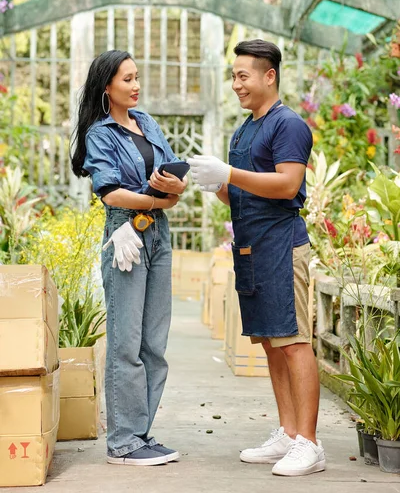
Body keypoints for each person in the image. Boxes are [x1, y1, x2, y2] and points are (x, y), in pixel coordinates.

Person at [188, 39, 325, 477]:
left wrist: (228, 173)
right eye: (233, 76)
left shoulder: (289, 125)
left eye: (243, 75)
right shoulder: (244, 129)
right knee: (270, 341)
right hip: (250, 247)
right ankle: (287, 433)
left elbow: (286, 185)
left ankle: (310, 442)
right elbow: (240, 195)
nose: (236, 85)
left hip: (282, 245)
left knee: (294, 340)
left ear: (269, 76)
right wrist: (212, 183)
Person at [71, 50, 187, 466]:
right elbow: (110, 193)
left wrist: (172, 188)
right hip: (126, 232)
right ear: (107, 87)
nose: (136, 86)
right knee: (126, 342)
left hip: (158, 235)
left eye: (137, 78)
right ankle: (122, 441)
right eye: (127, 80)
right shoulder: (99, 134)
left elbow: (175, 184)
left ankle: (141, 433)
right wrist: (158, 199)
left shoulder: (148, 123)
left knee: (154, 341)